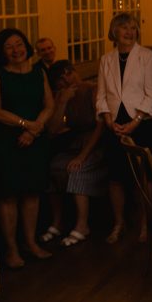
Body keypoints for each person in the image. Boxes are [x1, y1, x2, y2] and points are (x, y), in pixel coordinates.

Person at [0, 28, 55, 269]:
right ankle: (12, 250)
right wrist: (25, 125)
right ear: (1, 52)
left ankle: (31, 243)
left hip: (35, 139)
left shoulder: (38, 71)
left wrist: (34, 130)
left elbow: (49, 104)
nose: (16, 50)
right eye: (9, 47)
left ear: (26, 45)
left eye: (18, 44)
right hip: (6, 142)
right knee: (9, 195)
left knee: (32, 193)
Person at [96, 13, 152, 244]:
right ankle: (119, 223)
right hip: (114, 125)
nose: (129, 32)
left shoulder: (147, 56)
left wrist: (136, 121)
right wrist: (107, 119)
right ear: (114, 32)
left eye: (133, 28)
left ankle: (145, 223)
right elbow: (101, 95)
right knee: (115, 177)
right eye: (124, 28)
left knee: (143, 176)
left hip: (142, 123)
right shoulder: (106, 60)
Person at [43, 61, 105, 247]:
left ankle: (82, 224)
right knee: (53, 166)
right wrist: (62, 102)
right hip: (75, 143)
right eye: (60, 82)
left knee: (77, 169)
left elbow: (100, 127)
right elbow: (52, 130)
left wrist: (82, 156)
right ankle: (57, 221)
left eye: (68, 76)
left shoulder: (92, 90)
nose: (66, 81)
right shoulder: (62, 96)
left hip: (95, 144)